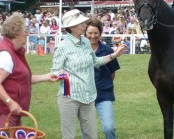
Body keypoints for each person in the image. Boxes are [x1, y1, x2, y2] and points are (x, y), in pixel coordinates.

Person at [50, 9, 127, 139]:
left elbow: (95, 61)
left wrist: (114, 55)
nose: (84, 25)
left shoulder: (85, 42)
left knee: (92, 136)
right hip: (69, 97)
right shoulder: (62, 47)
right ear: (71, 27)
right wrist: (63, 75)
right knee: (69, 136)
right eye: (81, 23)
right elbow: (55, 72)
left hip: (88, 97)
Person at [0, 12, 57, 127]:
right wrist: (9, 102)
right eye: (25, 31)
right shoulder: (6, 54)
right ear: (15, 33)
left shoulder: (15, 52)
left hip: (13, 113)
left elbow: (21, 79)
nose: (28, 34)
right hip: (4, 114)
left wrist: (46, 77)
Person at [84, 18, 120, 139]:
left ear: (100, 33)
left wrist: (103, 84)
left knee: (108, 128)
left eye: (96, 33)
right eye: (90, 33)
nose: (93, 36)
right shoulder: (79, 50)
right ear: (85, 33)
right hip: (84, 96)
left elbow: (112, 73)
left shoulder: (108, 50)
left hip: (104, 95)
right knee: (87, 131)